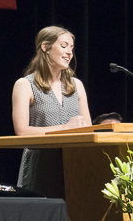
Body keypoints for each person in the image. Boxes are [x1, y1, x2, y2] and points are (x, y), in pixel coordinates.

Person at [11, 26, 92, 197]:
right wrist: (65, 128)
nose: (69, 52)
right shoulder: (25, 85)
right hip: (40, 166)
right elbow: (22, 131)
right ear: (45, 47)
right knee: (39, 218)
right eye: (64, 46)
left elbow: (88, 129)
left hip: (73, 165)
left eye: (71, 47)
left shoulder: (76, 85)